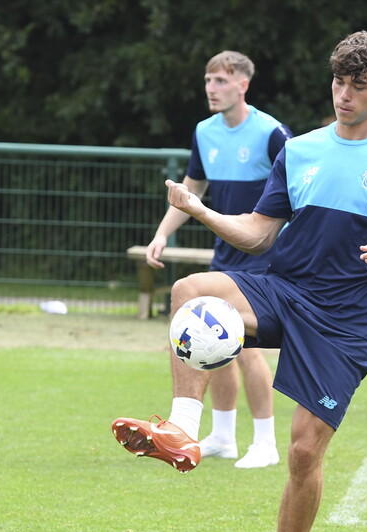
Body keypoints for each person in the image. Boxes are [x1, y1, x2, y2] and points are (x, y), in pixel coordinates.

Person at [112, 31, 367, 532]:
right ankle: (181, 430)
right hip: (285, 290)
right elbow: (260, 235)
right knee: (189, 292)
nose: (343, 94)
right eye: (338, 81)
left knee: (304, 452)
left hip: (345, 321)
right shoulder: (301, 150)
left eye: (358, 85)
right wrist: (201, 210)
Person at [144, 51, 291, 469]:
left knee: (244, 349)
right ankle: (223, 436)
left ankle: (265, 442)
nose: (212, 88)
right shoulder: (204, 132)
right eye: (209, 80)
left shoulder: (272, 133)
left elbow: (299, 192)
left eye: (222, 81)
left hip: (266, 257)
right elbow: (192, 190)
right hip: (226, 256)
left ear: (244, 84)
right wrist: (161, 233)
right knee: (213, 342)